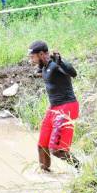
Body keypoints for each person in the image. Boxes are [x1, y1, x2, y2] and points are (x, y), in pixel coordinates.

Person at [28, 40, 80, 172]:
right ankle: (45, 174)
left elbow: (73, 73)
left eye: (32, 56)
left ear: (40, 54)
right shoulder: (44, 66)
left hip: (67, 106)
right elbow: (43, 71)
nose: (31, 60)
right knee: (42, 145)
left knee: (57, 150)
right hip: (54, 108)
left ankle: (81, 168)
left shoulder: (56, 65)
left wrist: (60, 61)